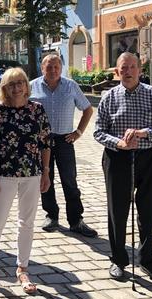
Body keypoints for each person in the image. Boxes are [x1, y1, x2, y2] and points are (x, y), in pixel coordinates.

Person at [94, 52, 152, 285]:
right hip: (117, 157)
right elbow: (99, 131)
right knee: (117, 210)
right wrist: (118, 142)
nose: (127, 71)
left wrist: (143, 133)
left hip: (149, 157)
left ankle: (148, 260)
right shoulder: (108, 97)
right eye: (123, 68)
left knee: (148, 209)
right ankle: (118, 259)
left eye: (132, 67)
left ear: (139, 70)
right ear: (117, 72)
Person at [0, 67, 51, 294]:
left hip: (32, 173)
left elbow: (45, 143)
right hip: (5, 174)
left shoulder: (37, 110)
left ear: (26, 85)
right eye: (12, 84)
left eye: (20, 83)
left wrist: (46, 171)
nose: (17, 87)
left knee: (26, 223)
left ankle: (22, 268)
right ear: (4, 88)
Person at [29, 54, 97, 237]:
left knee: (70, 181)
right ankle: (51, 215)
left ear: (61, 68)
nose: (52, 70)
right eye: (49, 67)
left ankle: (76, 220)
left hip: (64, 140)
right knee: (45, 179)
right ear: (42, 68)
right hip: (42, 142)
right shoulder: (32, 86)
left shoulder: (70, 86)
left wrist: (79, 132)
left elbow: (88, 110)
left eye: (56, 67)